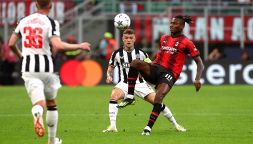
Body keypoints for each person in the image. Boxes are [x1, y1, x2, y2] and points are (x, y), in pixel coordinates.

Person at [8, 0, 91, 144]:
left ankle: (37, 114)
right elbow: (57, 45)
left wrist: (21, 56)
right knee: (51, 103)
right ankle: (52, 140)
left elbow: (11, 43)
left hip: (28, 67)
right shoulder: (50, 22)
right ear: (50, 6)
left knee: (39, 103)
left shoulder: (24, 21)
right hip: (46, 68)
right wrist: (79, 45)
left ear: (36, 5)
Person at [118, 15, 204, 135]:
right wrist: (147, 67)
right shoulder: (164, 38)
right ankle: (130, 96)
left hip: (169, 74)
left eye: (175, 24)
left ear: (182, 26)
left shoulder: (186, 42)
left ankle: (148, 128)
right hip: (155, 68)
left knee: (158, 98)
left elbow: (200, 63)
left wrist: (197, 79)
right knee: (135, 63)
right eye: (171, 23)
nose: (171, 25)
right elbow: (160, 56)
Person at [102, 28, 186, 133]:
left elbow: (150, 67)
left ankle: (176, 124)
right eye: (126, 38)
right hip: (124, 83)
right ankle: (113, 126)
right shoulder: (116, 54)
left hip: (140, 84)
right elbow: (110, 67)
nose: (128, 40)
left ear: (134, 39)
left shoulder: (141, 53)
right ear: (122, 39)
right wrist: (108, 75)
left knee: (158, 102)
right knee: (113, 96)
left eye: (131, 38)